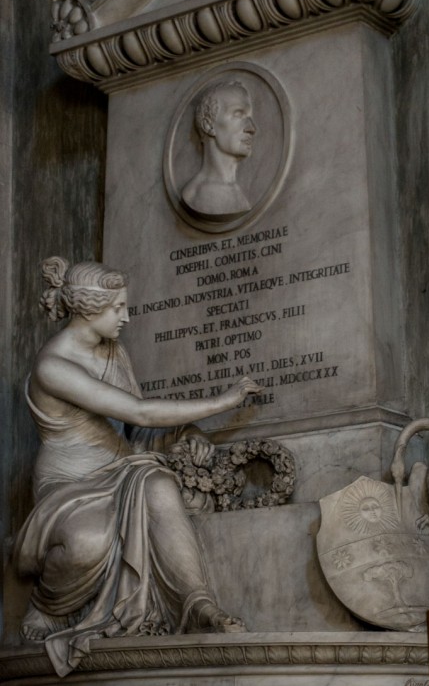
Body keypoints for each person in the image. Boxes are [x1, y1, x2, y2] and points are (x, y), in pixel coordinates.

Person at [14, 256, 261, 677]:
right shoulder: (53, 366)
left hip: (121, 468)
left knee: (158, 481)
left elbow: (135, 429)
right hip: (69, 484)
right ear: (90, 309)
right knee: (88, 542)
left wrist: (189, 433)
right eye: (118, 308)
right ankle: (48, 607)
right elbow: (141, 413)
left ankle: (198, 603)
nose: (127, 317)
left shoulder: (112, 350)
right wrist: (226, 401)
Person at [181, 80, 256, 221]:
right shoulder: (197, 195)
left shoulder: (242, 192)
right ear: (209, 125)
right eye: (238, 114)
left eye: (249, 117)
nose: (251, 128)